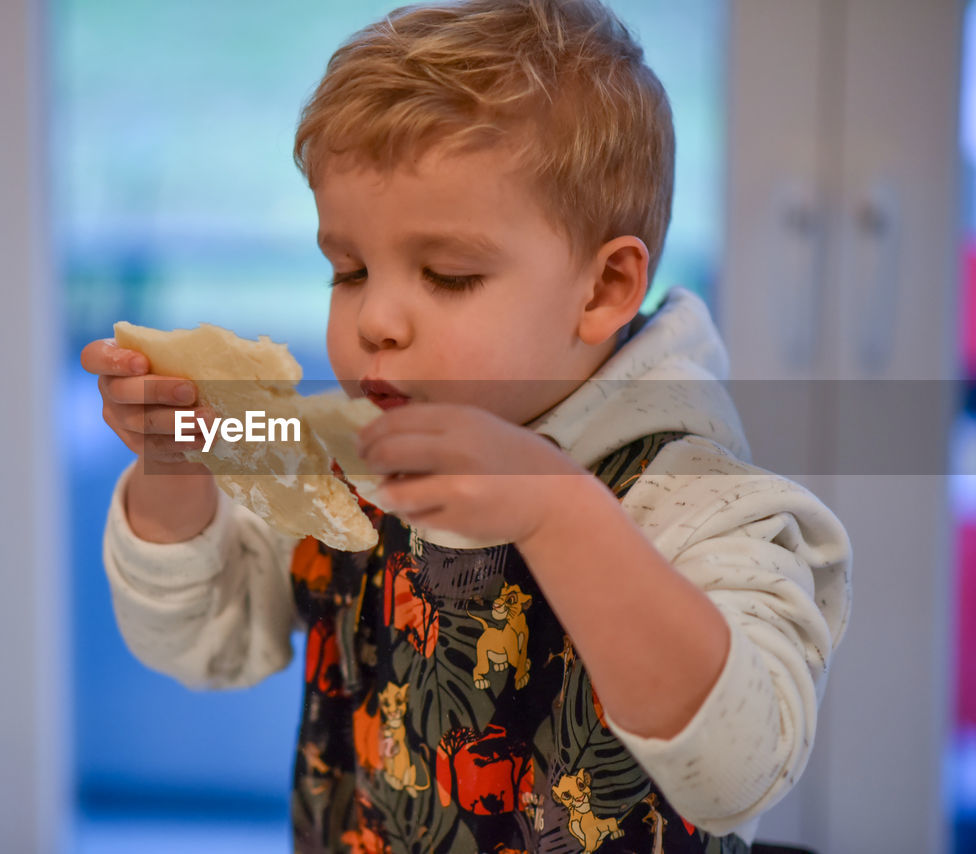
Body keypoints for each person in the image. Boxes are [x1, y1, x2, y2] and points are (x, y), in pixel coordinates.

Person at [80, 1, 852, 851]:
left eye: (446, 275)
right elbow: (206, 642)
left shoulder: (696, 500)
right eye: (349, 270)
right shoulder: (346, 462)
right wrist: (175, 464)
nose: (376, 317)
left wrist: (559, 511)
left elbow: (744, 766)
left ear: (601, 291)